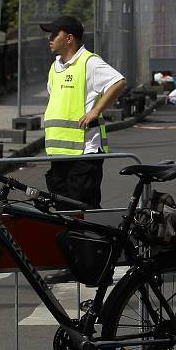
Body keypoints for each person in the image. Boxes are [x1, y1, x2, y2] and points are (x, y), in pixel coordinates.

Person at [41, 15, 127, 209]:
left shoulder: (89, 62)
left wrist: (95, 110)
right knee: (64, 211)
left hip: (84, 152)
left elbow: (118, 82)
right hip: (59, 152)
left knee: (84, 209)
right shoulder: (55, 67)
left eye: (55, 34)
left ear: (69, 38)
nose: (50, 38)